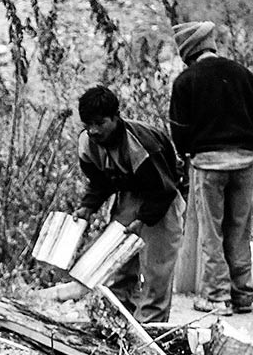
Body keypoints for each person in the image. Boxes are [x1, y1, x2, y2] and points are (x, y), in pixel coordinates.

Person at [167, 20, 253, 315]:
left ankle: (217, 297)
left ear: (188, 53)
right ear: (211, 45)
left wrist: (186, 156)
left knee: (213, 233)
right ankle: (243, 294)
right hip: (245, 162)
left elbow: (179, 131)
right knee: (240, 230)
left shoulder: (186, 81)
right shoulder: (244, 75)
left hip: (209, 164)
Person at [74, 84, 187, 324]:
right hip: (127, 194)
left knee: (157, 268)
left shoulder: (142, 144)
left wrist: (142, 220)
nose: (93, 130)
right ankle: (119, 321)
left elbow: (164, 189)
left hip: (161, 196)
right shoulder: (87, 142)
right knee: (119, 263)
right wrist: (88, 206)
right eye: (88, 125)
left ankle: (150, 327)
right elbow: (99, 181)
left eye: (100, 123)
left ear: (115, 117)